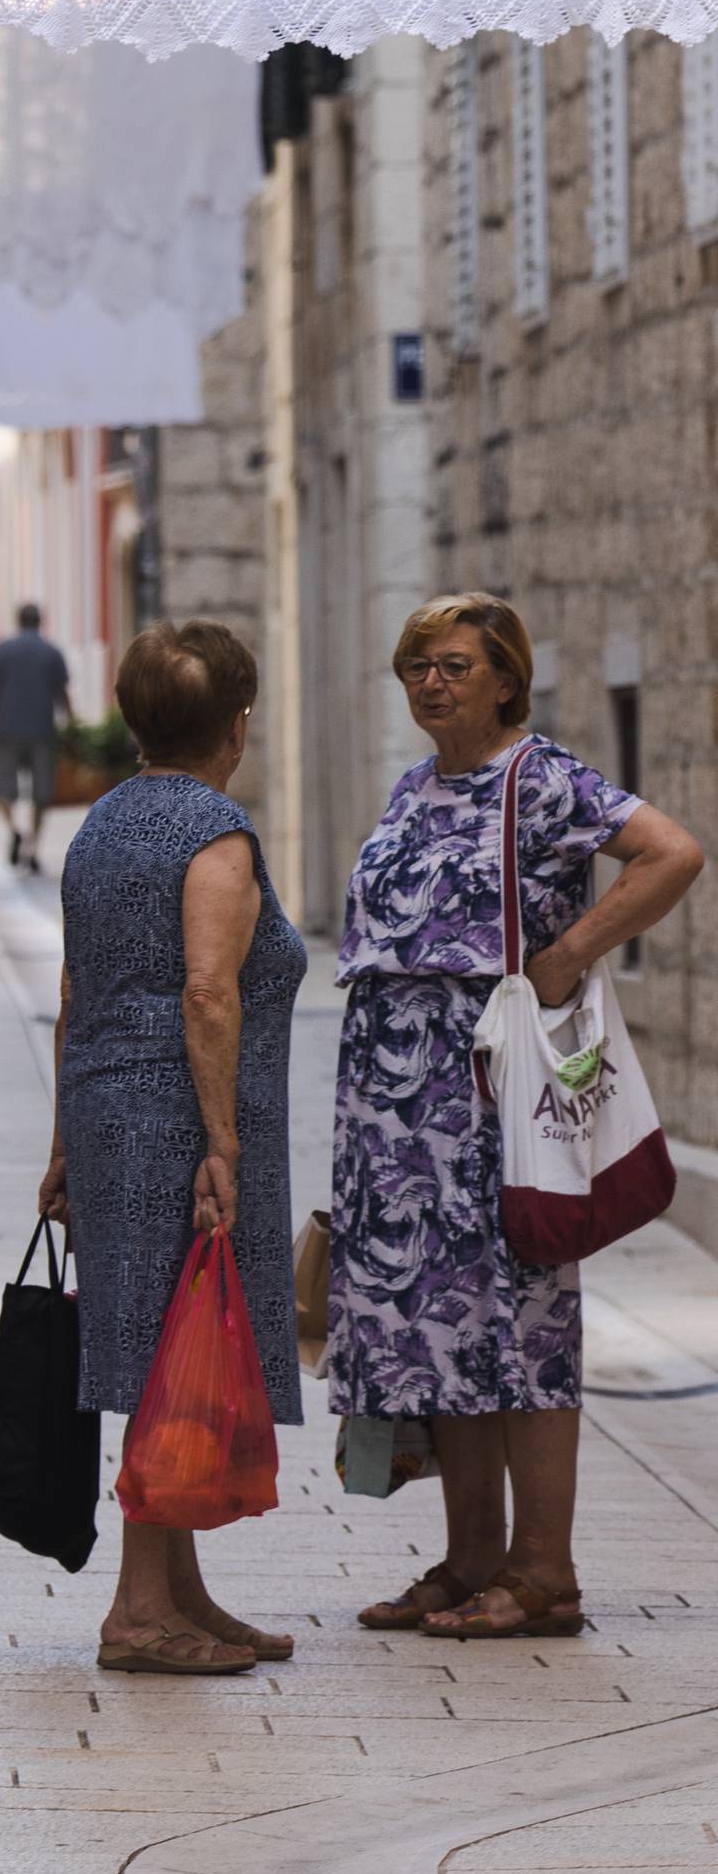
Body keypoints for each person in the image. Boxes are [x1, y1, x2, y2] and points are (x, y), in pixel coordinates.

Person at [334, 593, 702, 1642]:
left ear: (506, 678)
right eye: (416, 666)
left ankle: (544, 1570)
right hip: (397, 1114)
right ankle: (468, 1558)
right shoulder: (414, 786)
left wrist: (570, 952)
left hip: (492, 1103)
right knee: (444, 1334)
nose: (432, 681)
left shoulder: (539, 778)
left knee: (523, 1322)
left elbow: (671, 851)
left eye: (454, 665)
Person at [40, 619, 305, 1677]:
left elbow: (73, 996)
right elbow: (207, 989)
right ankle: (138, 1611)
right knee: (170, 1356)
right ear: (237, 724)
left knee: (166, 1344)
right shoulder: (215, 831)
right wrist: (224, 1140)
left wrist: (62, 1136)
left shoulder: (97, 824)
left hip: (108, 1107)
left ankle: (181, 1592)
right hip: (178, 1120)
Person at [0, 601, 71, 870]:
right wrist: (72, 727)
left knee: (0, 786)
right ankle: (32, 847)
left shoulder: (5, 649)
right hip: (42, 731)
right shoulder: (52, 652)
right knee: (41, 793)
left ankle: (14, 829)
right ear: (40, 621)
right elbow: (62, 694)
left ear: (18, 620)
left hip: (8, 728)